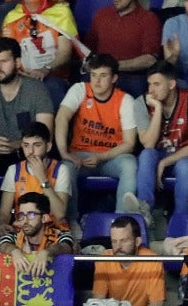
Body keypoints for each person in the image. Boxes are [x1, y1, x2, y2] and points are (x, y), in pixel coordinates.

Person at [53, 54, 138, 215]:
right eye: (93, 75)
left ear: (114, 78)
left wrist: (101, 157)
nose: (97, 81)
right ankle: (70, 223)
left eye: (103, 76)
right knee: (64, 168)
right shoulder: (80, 89)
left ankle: (122, 220)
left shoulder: (125, 100)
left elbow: (129, 143)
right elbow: (62, 117)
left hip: (111, 157)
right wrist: (64, 152)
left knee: (130, 164)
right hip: (80, 156)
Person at [0, 38, 55, 178]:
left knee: (40, 153)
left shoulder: (37, 89)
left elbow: (45, 135)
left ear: (17, 62)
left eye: (4, 62)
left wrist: (14, 145)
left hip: (23, 153)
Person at [128, 63, 188, 220]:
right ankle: (145, 211)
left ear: (171, 84)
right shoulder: (141, 103)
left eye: (157, 84)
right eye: (149, 84)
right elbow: (148, 144)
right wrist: (157, 109)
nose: (151, 90)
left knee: (185, 166)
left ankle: (180, 219)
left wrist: (165, 162)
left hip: (183, 155)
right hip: (156, 155)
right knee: (146, 155)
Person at [85, 0, 163, 96]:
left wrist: (113, 67)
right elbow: (88, 49)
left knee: (137, 85)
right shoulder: (102, 14)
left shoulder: (149, 19)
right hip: (100, 75)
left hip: (129, 77)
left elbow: (150, 59)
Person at [90, 217, 162, 306]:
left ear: (137, 241)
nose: (118, 247)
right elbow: (98, 302)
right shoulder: (104, 259)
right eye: (114, 241)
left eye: (123, 241)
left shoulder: (152, 260)